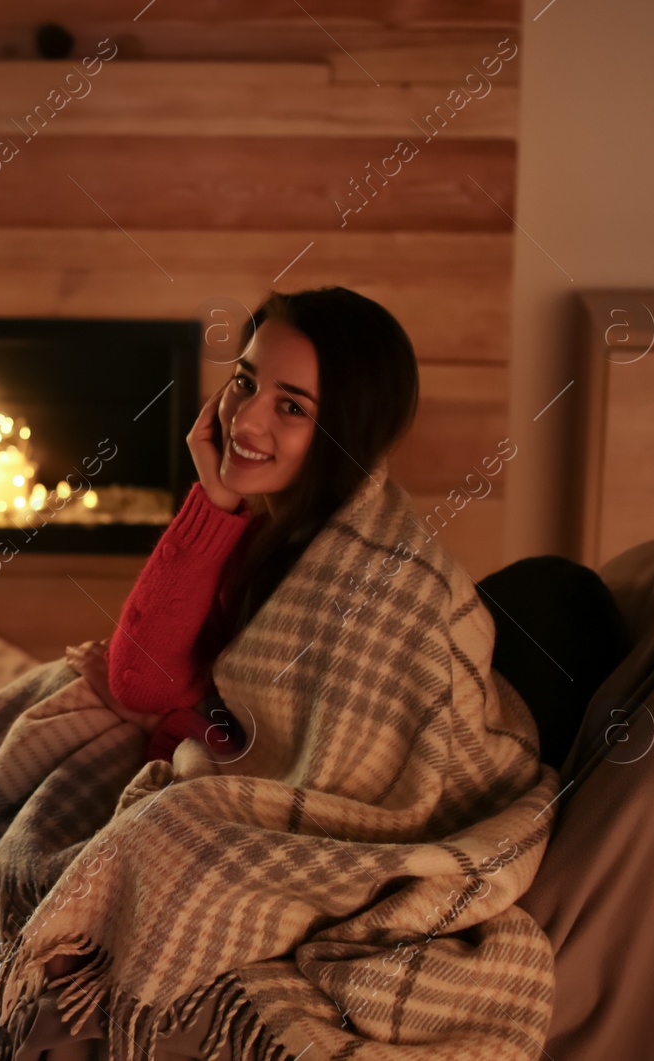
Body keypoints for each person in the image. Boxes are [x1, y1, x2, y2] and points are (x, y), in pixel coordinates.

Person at [65, 285, 421, 767]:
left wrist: (163, 720)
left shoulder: (344, 570)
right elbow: (146, 678)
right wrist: (213, 502)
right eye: (245, 383)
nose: (245, 421)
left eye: (292, 407)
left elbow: (277, 762)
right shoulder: (264, 534)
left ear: (347, 434)